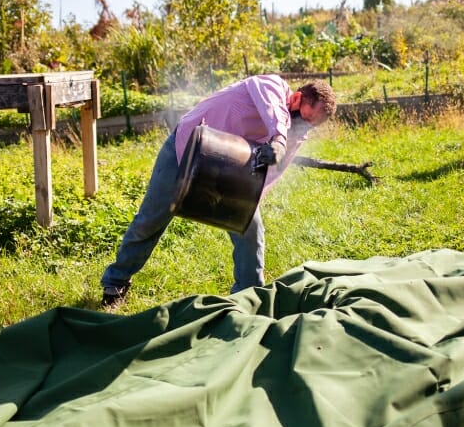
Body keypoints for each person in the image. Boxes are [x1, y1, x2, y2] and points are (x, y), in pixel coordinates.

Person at [101, 75, 336, 306]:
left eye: (310, 124)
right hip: (184, 151)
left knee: (250, 230)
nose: (303, 125)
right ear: (296, 98)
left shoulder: (294, 134)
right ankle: (115, 282)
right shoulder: (271, 86)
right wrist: (278, 140)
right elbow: (275, 115)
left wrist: (249, 201)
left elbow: (273, 173)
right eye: (305, 117)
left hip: (229, 169)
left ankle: (249, 297)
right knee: (150, 220)